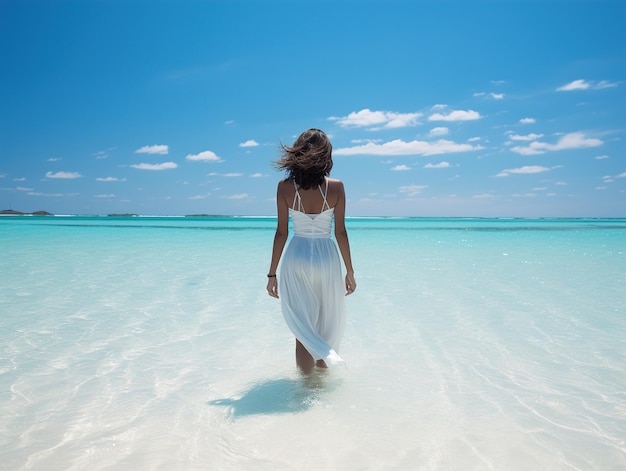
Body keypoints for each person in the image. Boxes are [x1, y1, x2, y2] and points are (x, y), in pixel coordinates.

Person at [266, 128, 356, 373]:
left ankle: (305, 388)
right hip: (327, 257)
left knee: (303, 328)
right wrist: (350, 271)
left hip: (297, 256)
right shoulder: (336, 188)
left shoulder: (285, 188)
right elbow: (341, 233)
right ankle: (321, 385)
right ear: (326, 155)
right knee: (326, 326)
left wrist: (272, 274)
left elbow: (281, 233)